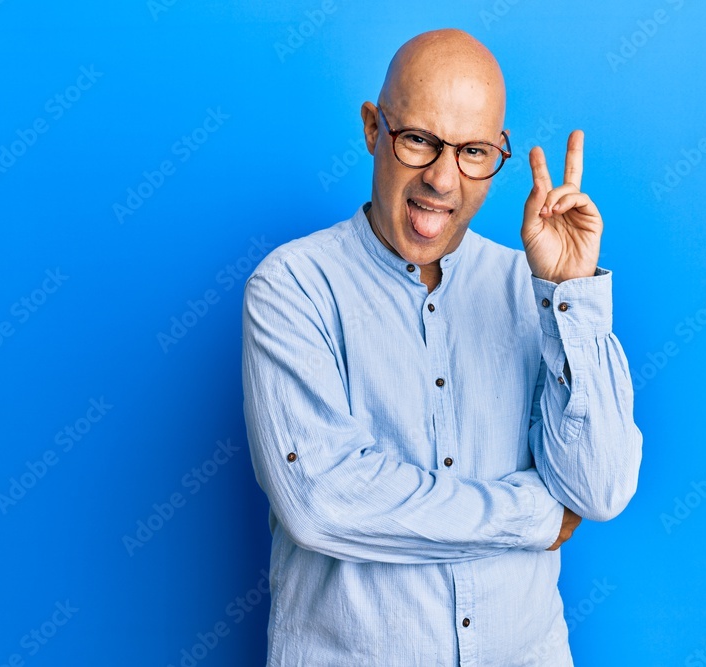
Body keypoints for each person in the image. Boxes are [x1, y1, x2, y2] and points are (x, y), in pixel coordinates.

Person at [241, 28, 642, 667]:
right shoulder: (293, 287)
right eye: (419, 140)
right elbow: (322, 500)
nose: (442, 179)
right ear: (374, 129)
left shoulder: (534, 290)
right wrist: (534, 513)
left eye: (475, 151)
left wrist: (568, 296)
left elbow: (600, 489)